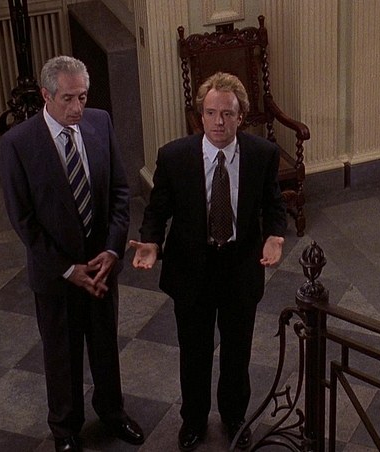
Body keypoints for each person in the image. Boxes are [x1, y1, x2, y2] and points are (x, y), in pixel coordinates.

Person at [129, 71, 286, 450]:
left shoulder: (262, 155)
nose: (219, 122)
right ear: (200, 116)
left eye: (227, 114)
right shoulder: (174, 156)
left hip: (239, 267)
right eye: (211, 113)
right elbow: (158, 210)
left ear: (240, 116)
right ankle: (194, 421)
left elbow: (273, 204)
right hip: (192, 270)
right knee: (194, 352)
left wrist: (274, 235)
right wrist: (151, 243)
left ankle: (234, 417)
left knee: (237, 351)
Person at [0, 55, 144, 452]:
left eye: (82, 96)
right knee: (62, 355)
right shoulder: (18, 144)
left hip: (101, 268)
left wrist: (112, 250)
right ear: (46, 95)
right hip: (56, 275)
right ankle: (65, 429)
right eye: (68, 98)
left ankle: (112, 412)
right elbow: (23, 219)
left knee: (105, 346)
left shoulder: (100, 122)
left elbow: (119, 193)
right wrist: (67, 269)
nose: (78, 107)